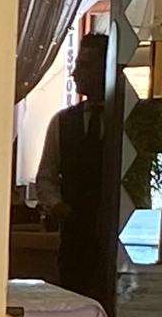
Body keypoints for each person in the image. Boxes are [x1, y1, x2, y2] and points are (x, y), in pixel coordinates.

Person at [35, 31, 109, 302]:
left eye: (85, 65)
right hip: (75, 237)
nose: (75, 73)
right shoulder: (62, 122)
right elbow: (46, 176)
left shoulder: (126, 122)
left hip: (116, 240)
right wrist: (57, 206)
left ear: (106, 68)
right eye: (77, 64)